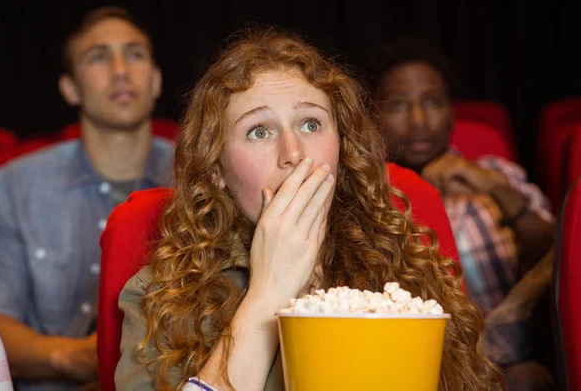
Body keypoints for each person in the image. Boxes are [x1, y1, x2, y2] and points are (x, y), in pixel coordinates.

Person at [114, 27, 503, 391]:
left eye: (311, 125)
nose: (294, 153)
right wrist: (268, 295)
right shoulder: (159, 296)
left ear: (341, 146)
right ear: (217, 170)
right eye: (259, 131)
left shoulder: (405, 264)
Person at [0, 6, 173, 390]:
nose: (121, 69)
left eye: (135, 54)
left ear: (155, 81)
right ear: (70, 87)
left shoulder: (202, 175)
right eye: (99, 57)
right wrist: (77, 359)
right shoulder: (14, 187)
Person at [370, 38, 555, 390]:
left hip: (505, 358)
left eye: (432, 102)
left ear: (452, 111)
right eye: (397, 105)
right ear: (372, 115)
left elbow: (559, 266)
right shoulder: (365, 196)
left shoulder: (497, 175)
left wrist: (497, 189)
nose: (419, 120)